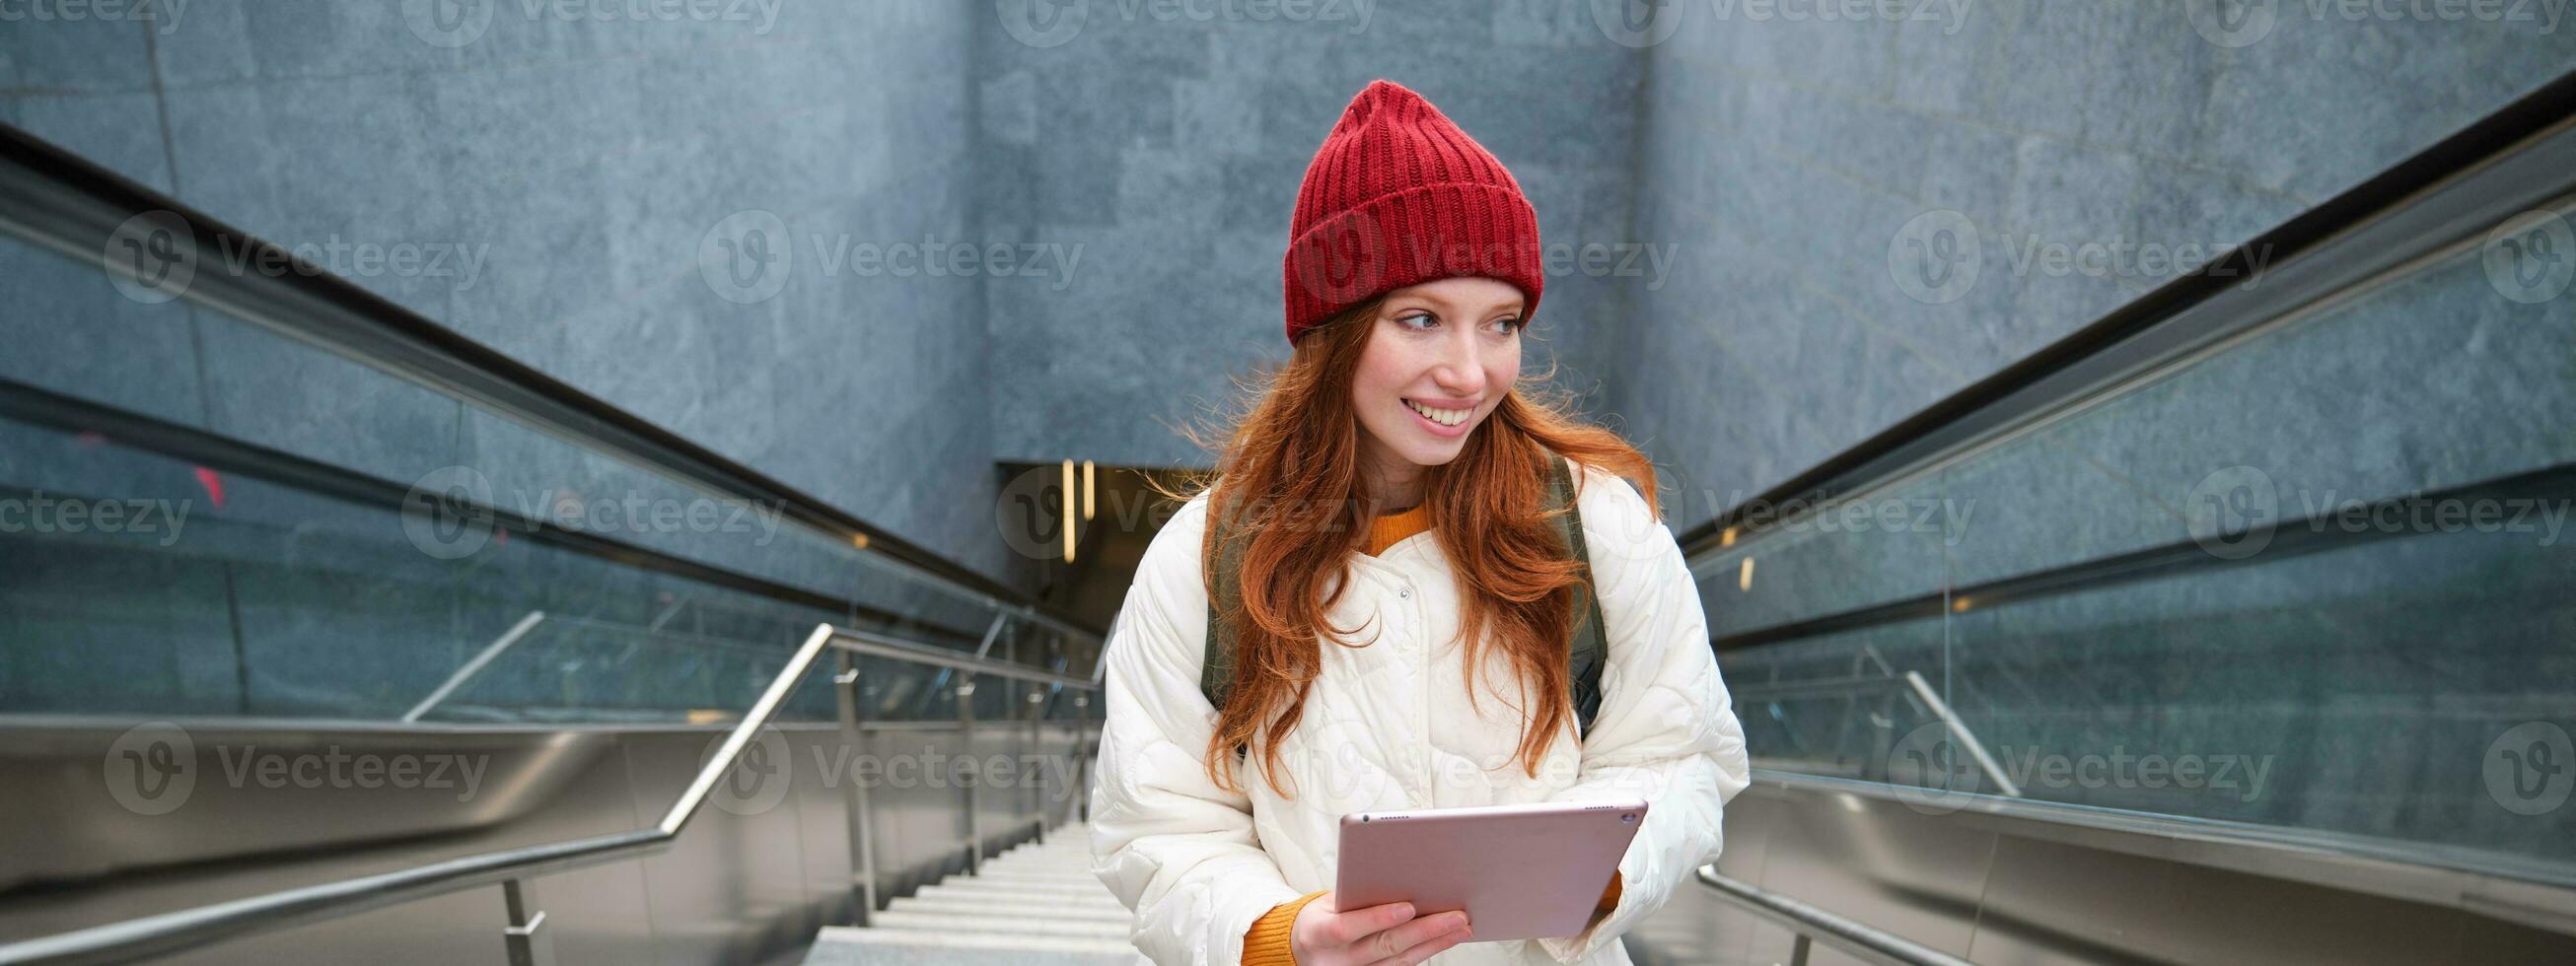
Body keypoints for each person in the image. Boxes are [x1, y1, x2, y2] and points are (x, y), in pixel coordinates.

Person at [1089, 78, 1750, 966]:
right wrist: (1283, 939)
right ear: (1331, 331)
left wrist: (1601, 873)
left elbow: (1686, 757)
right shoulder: (1203, 558)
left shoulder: (1595, 523)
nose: (1470, 373)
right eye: (1421, 319)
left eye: (1501, 323)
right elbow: (1154, 827)